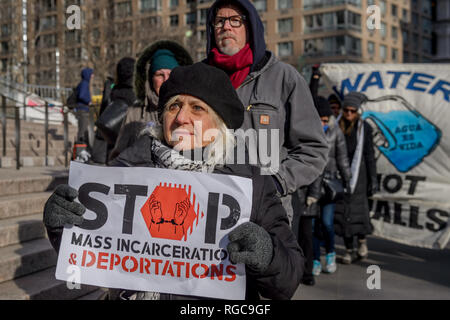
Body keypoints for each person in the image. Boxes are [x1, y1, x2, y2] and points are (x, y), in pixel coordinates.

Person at [43, 62, 304, 300]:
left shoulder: (251, 183)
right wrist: (62, 227)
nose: (180, 117)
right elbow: (94, 253)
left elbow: (288, 279)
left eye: (197, 108)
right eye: (173, 106)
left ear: (219, 121)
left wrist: (268, 255)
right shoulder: (127, 168)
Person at [205, 0, 329, 224]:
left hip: (265, 214)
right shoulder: (198, 78)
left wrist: (277, 182)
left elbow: (313, 150)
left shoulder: (285, 78)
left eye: (235, 20)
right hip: (207, 210)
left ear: (250, 27)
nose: (226, 27)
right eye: (219, 21)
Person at [108, 40, 193, 161]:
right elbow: (118, 156)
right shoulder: (134, 113)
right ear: (151, 79)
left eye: (171, 74)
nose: (166, 80)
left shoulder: (190, 114)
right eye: (160, 75)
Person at [334, 92, 378, 264]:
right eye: (346, 110)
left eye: (353, 111)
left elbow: (369, 155)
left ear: (358, 111)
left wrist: (373, 179)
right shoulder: (336, 126)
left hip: (360, 177)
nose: (349, 114)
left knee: (359, 213)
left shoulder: (364, 128)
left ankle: (361, 242)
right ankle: (348, 249)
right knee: (343, 214)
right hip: (340, 175)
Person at [311, 97, 351, 277]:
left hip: (329, 184)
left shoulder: (336, 132)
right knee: (312, 225)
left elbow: (342, 158)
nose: (323, 123)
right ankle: (315, 259)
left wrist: (347, 180)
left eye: (326, 120)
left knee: (327, 223)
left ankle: (330, 252)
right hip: (311, 184)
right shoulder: (308, 130)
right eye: (320, 119)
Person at [92, 58, 137, 164]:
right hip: (130, 144)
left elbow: (104, 111)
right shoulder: (136, 94)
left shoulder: (114, 91)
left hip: (112, 142)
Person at [74, 67, 95, 155]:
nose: (93, 76)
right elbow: (82, 95)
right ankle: (79, 151)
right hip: (82, 109)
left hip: (82, 109)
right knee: (82, 130)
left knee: (84, 129)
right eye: (91, 74)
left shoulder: (83, 83)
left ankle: (82, 149)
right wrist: (88, 101)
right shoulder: (84, 83)